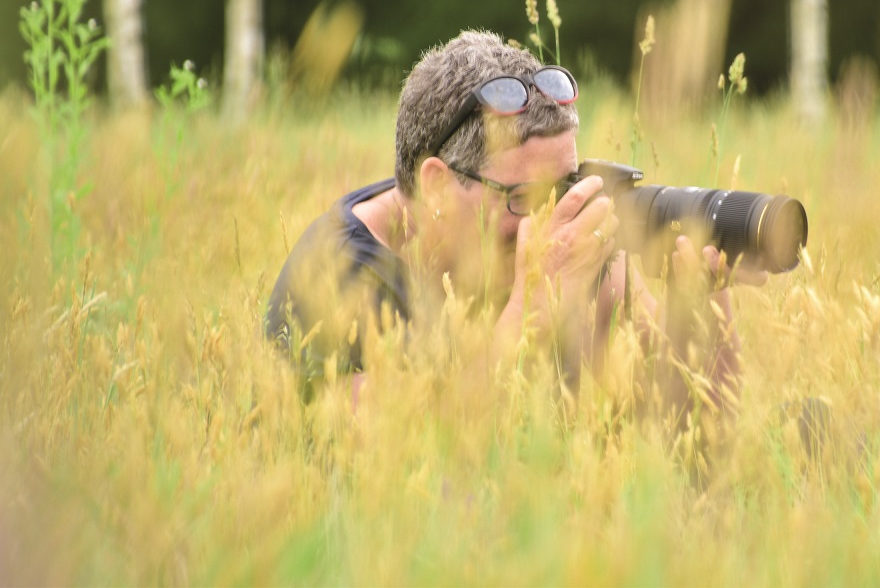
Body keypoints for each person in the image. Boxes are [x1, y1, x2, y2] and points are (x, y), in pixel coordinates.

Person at [265, 30, 762, 419]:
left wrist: (705, 311)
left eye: (564, 187)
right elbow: (395, 467)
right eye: (524, 198)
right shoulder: (334, 278)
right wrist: (535, 308)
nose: (550, 221)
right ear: (437, 186)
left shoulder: (577, 245)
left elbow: (700, 438)